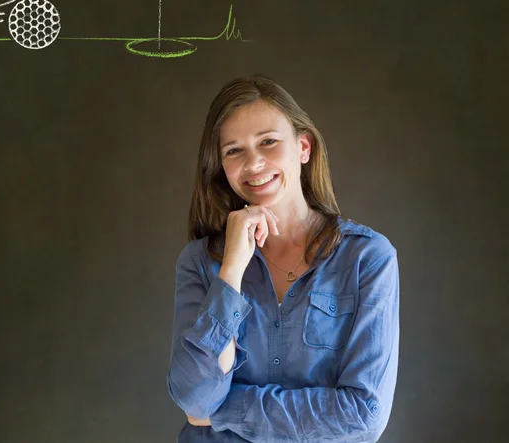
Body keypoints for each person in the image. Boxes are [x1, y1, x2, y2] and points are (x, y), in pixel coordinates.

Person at [166, 74, 400, 442]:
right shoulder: (199, 261)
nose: (254, 163)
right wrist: (231, 271)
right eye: (234, 151)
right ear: (221, 166)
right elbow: (195, 396)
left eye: (268, 142)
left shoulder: (367, 259)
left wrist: (222, 411)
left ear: (303, 147)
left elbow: (364, 415)